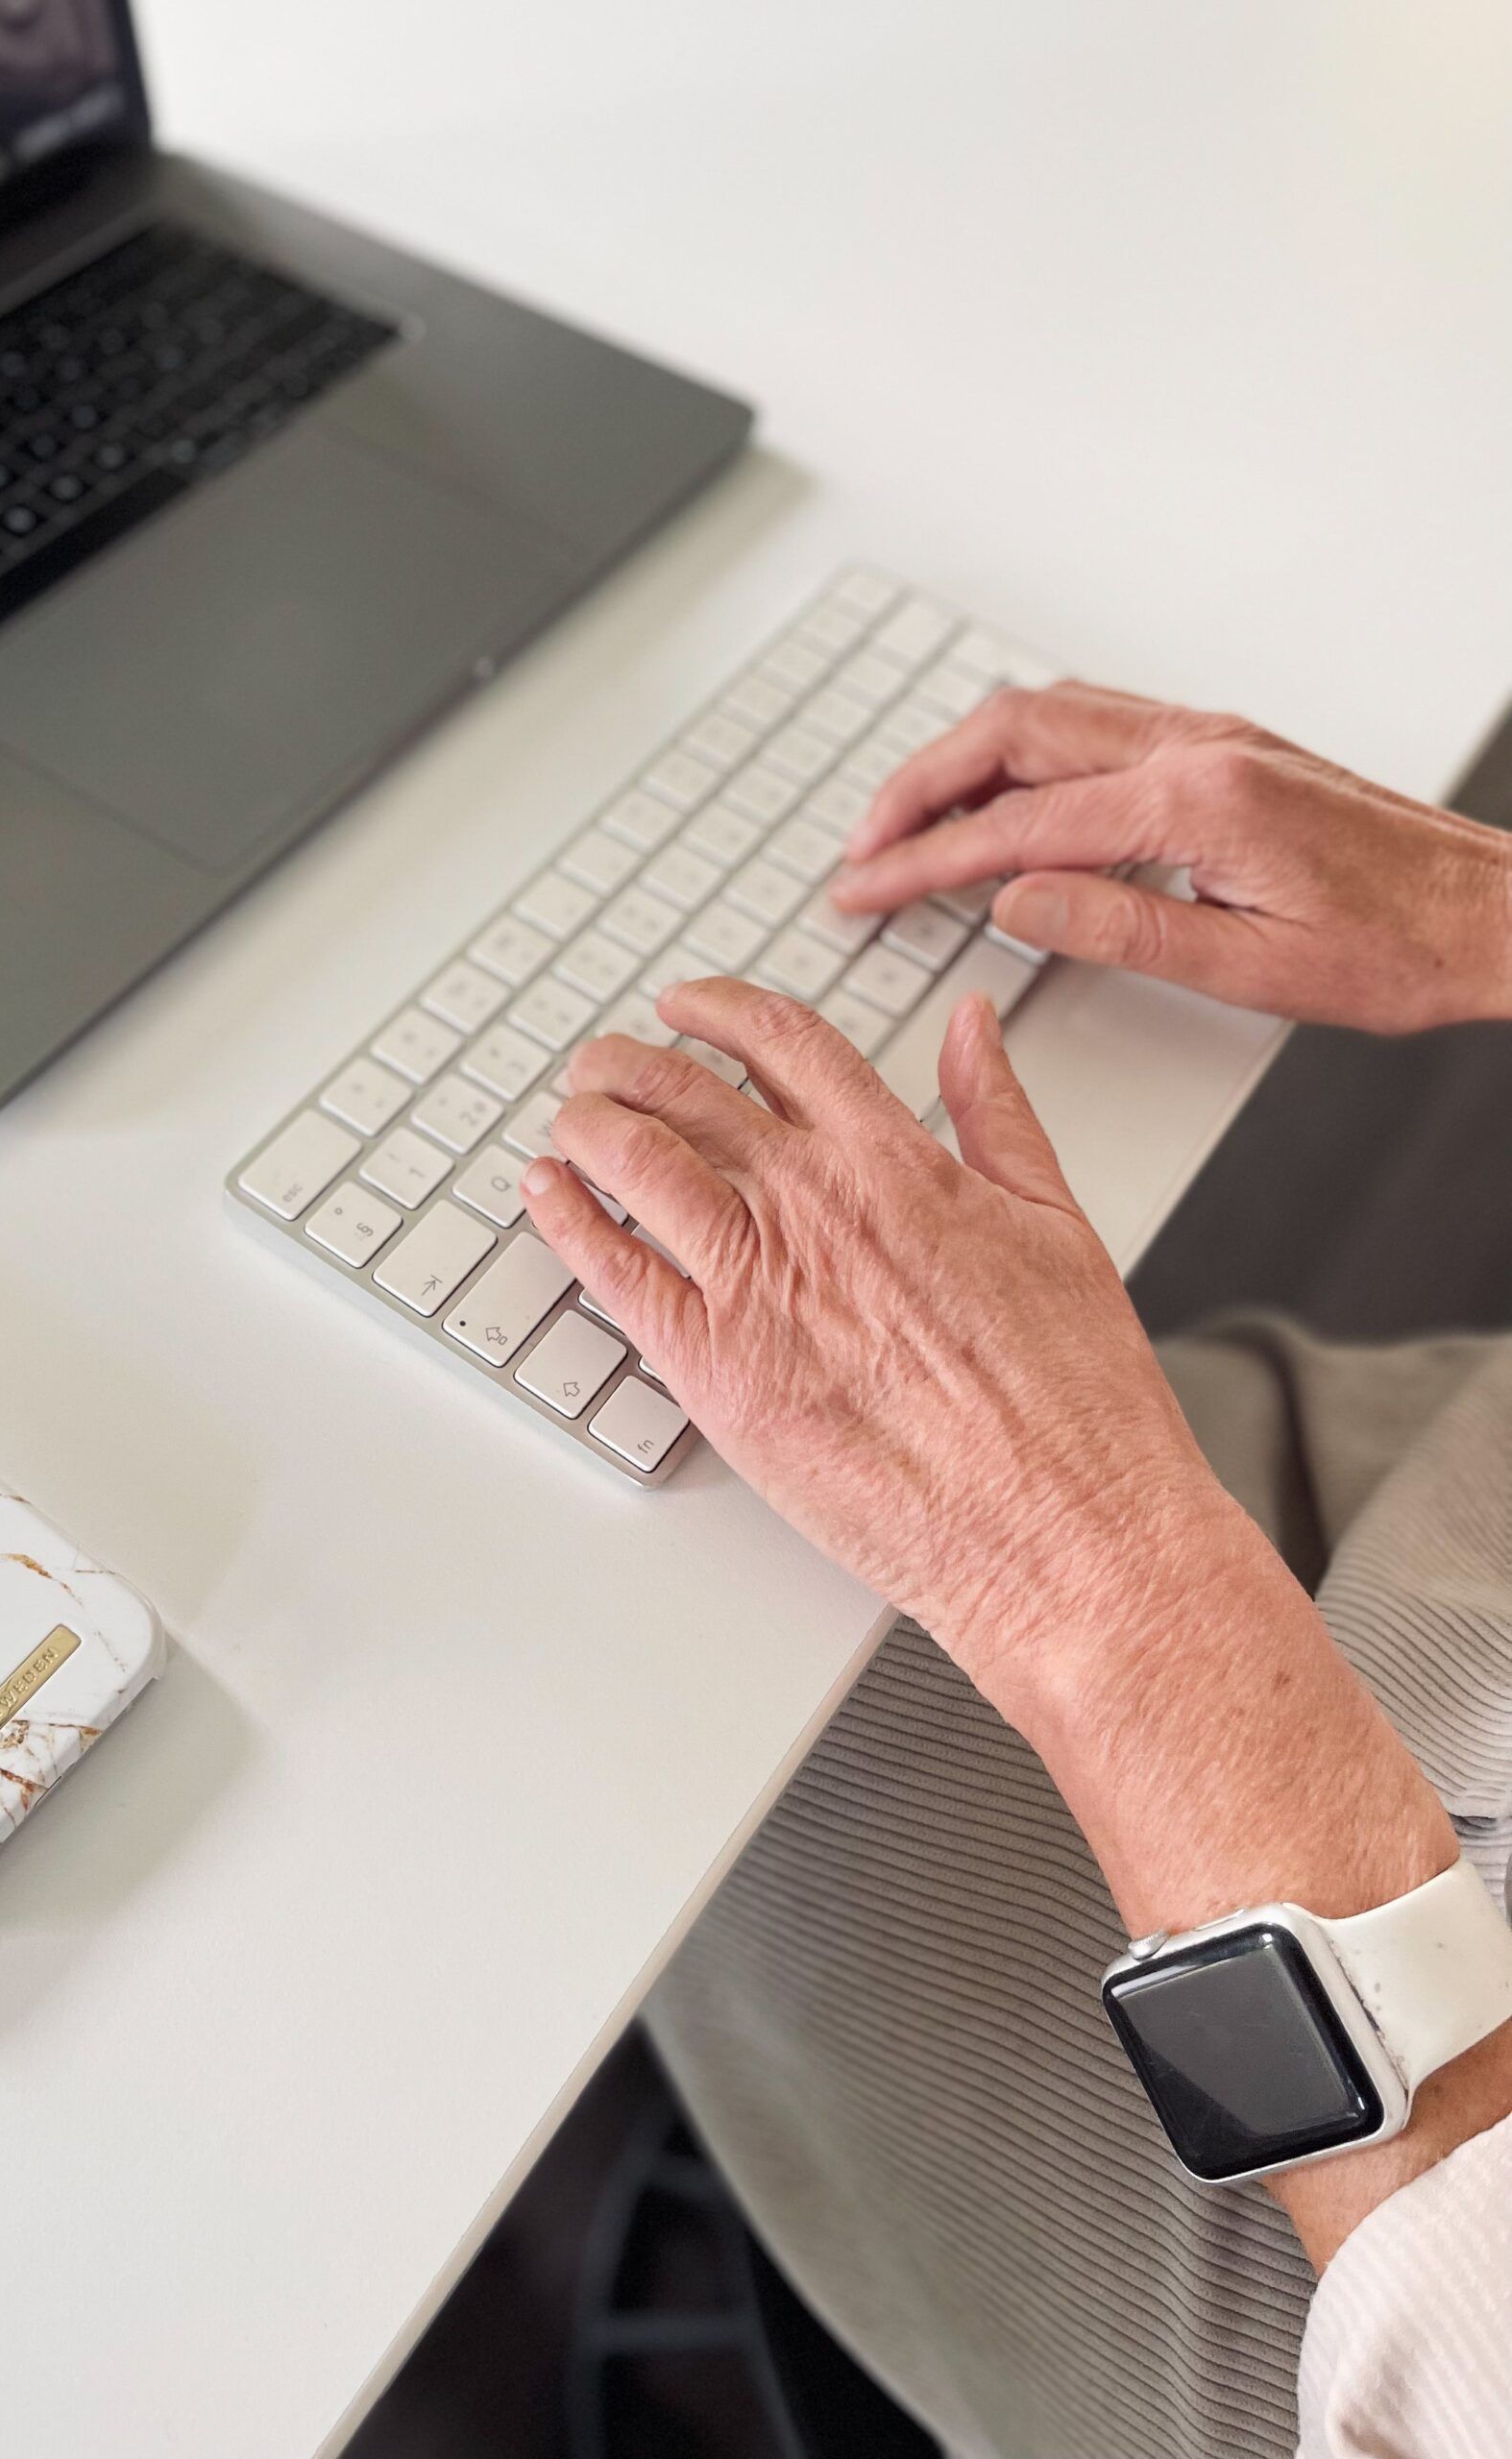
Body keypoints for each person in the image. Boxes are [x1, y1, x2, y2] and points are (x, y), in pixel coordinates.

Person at [517, 682, 1512, 2459]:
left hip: (1397, 2206)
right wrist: (1480, 906)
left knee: (626, 1531)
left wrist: (1081, 1562)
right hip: (1465, 1534)